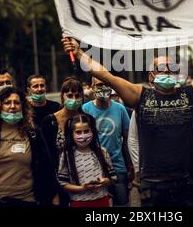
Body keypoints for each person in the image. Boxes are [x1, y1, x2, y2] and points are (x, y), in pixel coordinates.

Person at [62, 36, 193, 206]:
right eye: (162, 69)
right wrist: (79, 53)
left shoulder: (189, 94)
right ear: (152, 76)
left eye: (171, 69)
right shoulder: (139, 95)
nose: (167, 73)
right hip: (153, 187)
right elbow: (105, 74)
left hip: (186, 185)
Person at [82, 77, 133, 207]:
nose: (103, 88)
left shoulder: (120, 109)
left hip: (118, 167)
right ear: (92, 87)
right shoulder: (85, 110)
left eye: (106, 84)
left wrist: (131, 166)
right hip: (93, 168)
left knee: (122, 204)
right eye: (99, 85)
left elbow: (127, 140)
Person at [41, 76, 84, 207]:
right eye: (70, 95)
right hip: (59, 181)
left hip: (83, 178)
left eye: (77, 95)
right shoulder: (50, 121)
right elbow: (45, 157)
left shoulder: (86, 120)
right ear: (62, 96)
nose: (74, 99)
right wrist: (53, 190)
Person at [58, 114, 116, 207]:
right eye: (78, 132)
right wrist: (83, 188)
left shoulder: (102, 152)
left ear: (92, 131)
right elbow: (63, 183)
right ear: (72, 134)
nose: (83, 136)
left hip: (102, 200)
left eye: (86, 131)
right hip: (79, 202)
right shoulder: (67, 155)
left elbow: (112, 177)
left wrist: (105, 181)